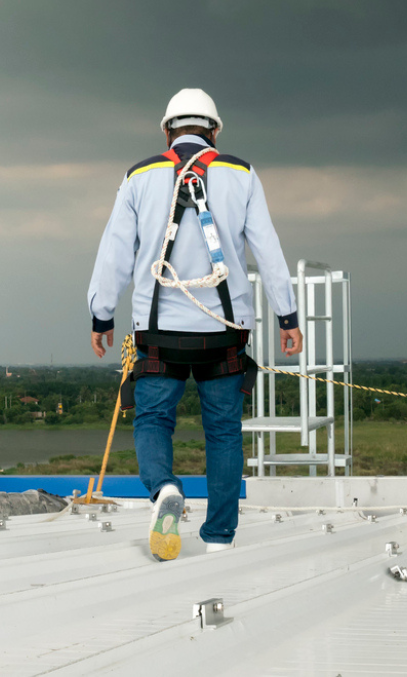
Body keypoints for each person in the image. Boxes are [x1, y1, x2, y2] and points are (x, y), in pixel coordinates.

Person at [87, 88, 302, 561]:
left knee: (154, 418)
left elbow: (114, 256)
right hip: (223, 332)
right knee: (223, 431)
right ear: (215, 132)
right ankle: (220, 536)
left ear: (167, 131)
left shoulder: (139, 176)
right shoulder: (240, 174)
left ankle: (164, 487)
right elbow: (268, 250)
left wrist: (102, 316)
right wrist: (288, 315)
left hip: (159, 334)